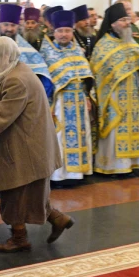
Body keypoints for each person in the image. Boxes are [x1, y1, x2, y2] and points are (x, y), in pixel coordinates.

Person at [0, 36, 73, 253]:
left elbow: (0, 119)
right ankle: (58, 219)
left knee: (14, 193)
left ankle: (19, 239)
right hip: (32, 146)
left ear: (3, 56)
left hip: (24, 149)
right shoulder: (22, 71)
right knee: (32, 193)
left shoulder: (16, 80)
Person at [91, 3, 139, 175]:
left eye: (128, 19)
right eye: (123, 20)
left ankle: (133, 163)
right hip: (113, 97)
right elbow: (98, 75)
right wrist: (107, 93)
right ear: (113, 23)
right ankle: (114, 166)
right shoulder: (103, 46)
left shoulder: (131, 43)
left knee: (134, 129)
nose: (127, 23)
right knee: (114, 131)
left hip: (132, 96)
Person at [40, 11, 94, 186]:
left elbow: (85, 76)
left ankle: (77, 174)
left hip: (78, 100)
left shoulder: (78, 50)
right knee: (60, 137)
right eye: (60, 31)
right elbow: (46, 81)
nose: (64, 34)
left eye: (67, 30)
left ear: (72, 31)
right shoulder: (47, 52)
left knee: (80, 136)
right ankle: (59, 176)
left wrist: (87, 96)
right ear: (54, 32)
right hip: (59, 101)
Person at [0, 4, 54, 96]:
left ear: (18, 26)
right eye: (6, 25)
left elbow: (42, 75)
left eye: (13, 25)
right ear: (0, 25)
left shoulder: (27, 50)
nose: (9, 29)